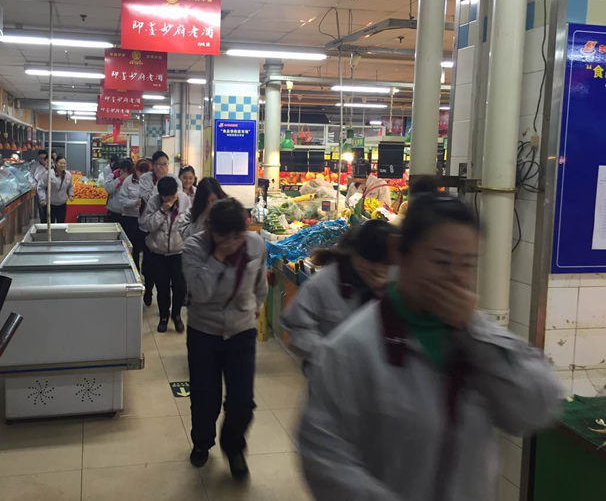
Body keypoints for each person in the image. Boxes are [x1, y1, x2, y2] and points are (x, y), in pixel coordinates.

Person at [298, 187, 561, 501]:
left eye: (468, 264)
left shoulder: (478, 340)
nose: (456, 277)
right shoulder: (350, 350)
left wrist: (475, 331)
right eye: (441, 261)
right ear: (399, 251)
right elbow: (325, 459)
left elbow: (537, 408)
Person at [182, 198, 268, 479]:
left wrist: (253, 310)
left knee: (242, 400)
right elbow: (200, 292)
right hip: (204, 331)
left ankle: (234, 447)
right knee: (205, 396)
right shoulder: (194, 247)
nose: (232, 242)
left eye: (237, 235)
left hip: (242, 331)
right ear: (210, 229)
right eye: (224, 236)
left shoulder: (255, 245)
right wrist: (218, 257)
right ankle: (202, 442)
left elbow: (260, 285)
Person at [281, 220, 396, 374]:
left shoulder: (393, 284)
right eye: (373, 262)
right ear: (357, 256)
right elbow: (296, 326)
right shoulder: (324, 283)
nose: (379, 269)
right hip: (331, 376)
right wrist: (331, 356)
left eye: (386, 264)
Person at [140, 176, 191, 333]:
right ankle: (163, 316)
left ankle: (176, 315)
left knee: (180, 287)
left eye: (172, 195)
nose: (169, 199)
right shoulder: (153, 202)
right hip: (158, 253)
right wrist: (162, 211)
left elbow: (189, 222)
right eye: (165, 197)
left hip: (179, 252)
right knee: (162, 288)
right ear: (160, 195)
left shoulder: (184, 199)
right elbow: (147, 225)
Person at [138, 151, 181, 307]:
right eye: (160, 164)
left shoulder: (174, 179)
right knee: (149, 266)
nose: (163, 167)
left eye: (165, 164)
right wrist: (160, 184)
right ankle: (148, 291)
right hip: (149, 225)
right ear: (153, 166)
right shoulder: (145, 179)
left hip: (170, 229)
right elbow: (149, 198)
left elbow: (177, 197)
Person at [119, 158, 152, 269]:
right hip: (131, 218)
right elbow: (122, 200)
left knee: (146, 247)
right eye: (140, 171)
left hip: (146, 219)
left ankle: (146, 271)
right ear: (135, 170)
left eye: (146, 172)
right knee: (133, 247)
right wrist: (135, 202)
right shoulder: (128, 181)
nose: (142, 175)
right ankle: (134, 269)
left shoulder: (152, 182)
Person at [38, 155, 74, 224]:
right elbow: (41, 187)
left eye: (64, 163)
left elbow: (70, 186)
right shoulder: (48, 174)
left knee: (61, 224)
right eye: (60, 163)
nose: (63, 165)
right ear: (55, 163)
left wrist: (71, 195)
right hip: (50, 204)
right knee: (50, 224)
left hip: (62, 204)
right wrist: (43, 199)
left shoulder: (68, 174)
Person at [31, 150, 49, 221]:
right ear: (38, 157)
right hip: (39, 188)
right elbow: (31, 176)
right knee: (42, 208)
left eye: (44, 158)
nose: (43, 160)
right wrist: (35, 185)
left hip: (50, 189)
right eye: (41, 158)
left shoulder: (51, 165)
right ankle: (43, 222)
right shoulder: (35, 166)